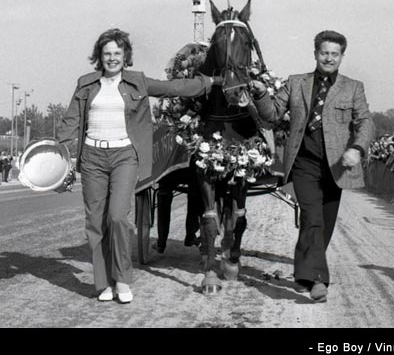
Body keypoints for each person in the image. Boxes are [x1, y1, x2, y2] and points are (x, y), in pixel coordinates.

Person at [56, 28, 223, 303]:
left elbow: (174, 88)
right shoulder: (85, 84)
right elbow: (70, 120)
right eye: (107, 53)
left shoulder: (137, 82)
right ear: (99, 56)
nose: (112, 58)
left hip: (124, 156)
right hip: (92, 158)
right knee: (95, 222)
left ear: (125, 56)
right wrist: (58, 153)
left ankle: (122, 279)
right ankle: (103, 283)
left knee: (117, 217)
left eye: (117, 53)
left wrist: (211, 82)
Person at [250, 30, 375, 302]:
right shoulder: (296, 83)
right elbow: (272, 115)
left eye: (334, 54)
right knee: (312, 218)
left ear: (342, 56)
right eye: (324, 53)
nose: (329, 58)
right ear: (315, 53)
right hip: (303, 163)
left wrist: (357, 147)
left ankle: (304, 274)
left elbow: (365, 122)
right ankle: (318, 280)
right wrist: (260, 94)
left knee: (323, 226)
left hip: (336, 167)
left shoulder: (353, 87)